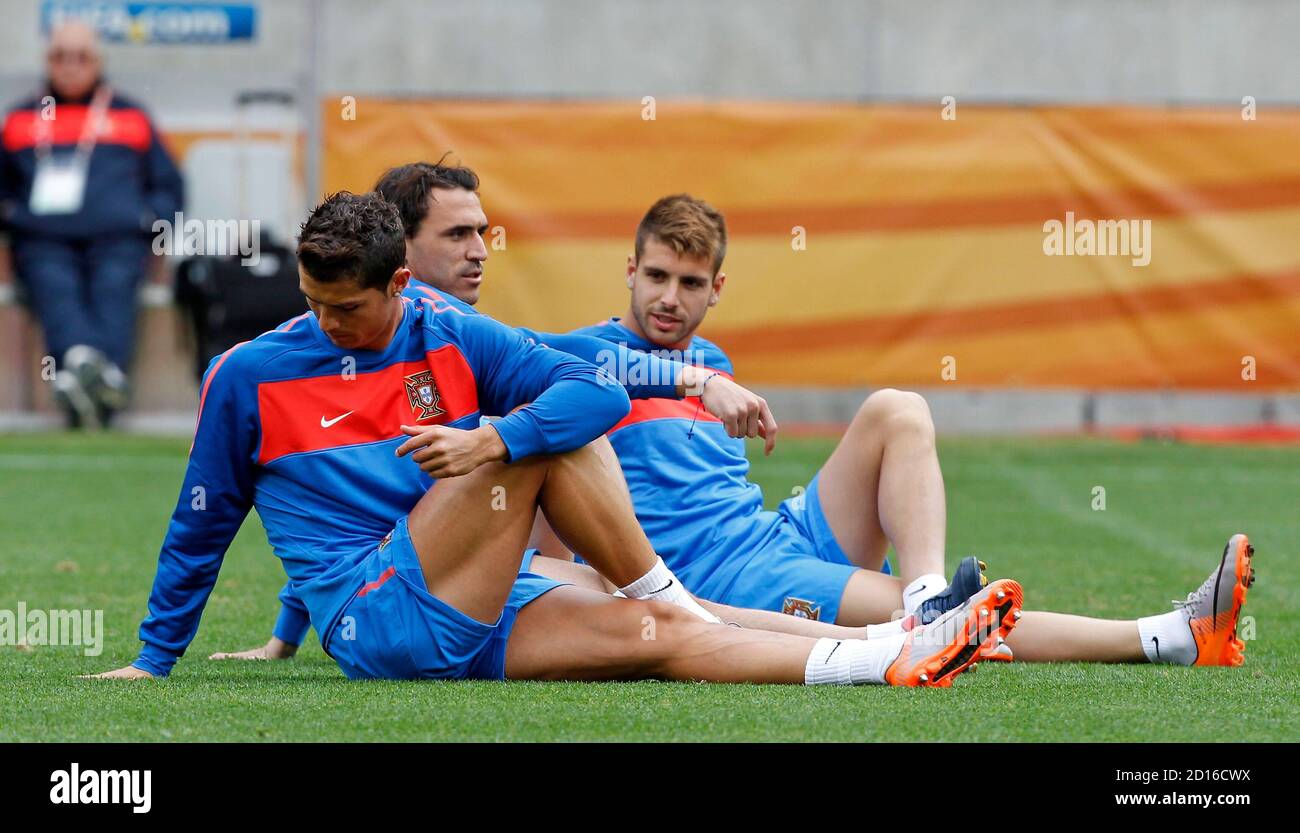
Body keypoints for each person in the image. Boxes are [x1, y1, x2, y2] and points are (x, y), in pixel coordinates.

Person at [87, 191, 1019, 688]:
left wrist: (491, 444)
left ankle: (890, 649)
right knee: (551, 460)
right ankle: (1117, 632)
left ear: (401, 284)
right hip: (376, 616)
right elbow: (202, 519)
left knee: (654, 630)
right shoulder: (249, 374)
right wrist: (154, 656)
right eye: (314, 302)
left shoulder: (445, 327)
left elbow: (589, 385)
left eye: (348, 306)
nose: (325, 321)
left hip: (478, 586)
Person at [558, 193, 1255, 667]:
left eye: (689, 282)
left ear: (717, 289)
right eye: (655, 276)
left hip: (774, 532)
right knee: (965, 619)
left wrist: (706, 374)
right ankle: (1173, 636)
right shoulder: (580, 356)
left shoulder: (712, 356)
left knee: (899, 408)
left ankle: (928, 593)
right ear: (629, 270)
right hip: (723, 576)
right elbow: (565, 423)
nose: (669, 298)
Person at [0, 20, 184, 428]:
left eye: (80, 57)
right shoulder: (19, 119)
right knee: (54, 286)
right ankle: (103, 375)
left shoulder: (132, 116)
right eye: (60, 56)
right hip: (42, 239)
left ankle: (80, 374)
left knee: (114, 286)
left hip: (118, 238)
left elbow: (168, 184)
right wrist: (12, 216)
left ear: (98, 62)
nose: (70, 66)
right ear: (47, 61)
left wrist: (151, 220)